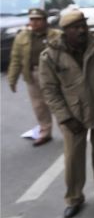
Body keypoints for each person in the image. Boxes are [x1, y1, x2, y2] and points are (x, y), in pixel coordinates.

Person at [39, 10, 94, 218]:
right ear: (65, 31)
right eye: (75, 27)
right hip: (72, 115)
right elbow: (49, 91)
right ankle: (74, 198)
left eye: (83, 25)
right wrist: (65, 118)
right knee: (73, 159)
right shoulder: (50, 55)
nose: (81, 30)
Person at [7, 8, 60, 146]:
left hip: (53, 75)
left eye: (38, 19)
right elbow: (16, 59)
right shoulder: (22, 37)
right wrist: (12, 79)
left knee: (57, 103)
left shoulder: (56, 35)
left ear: (45, 21)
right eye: (32, 19)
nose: (34, 23)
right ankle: (45, 132)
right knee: (39, 106)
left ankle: (68, 131)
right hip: (33, 74)